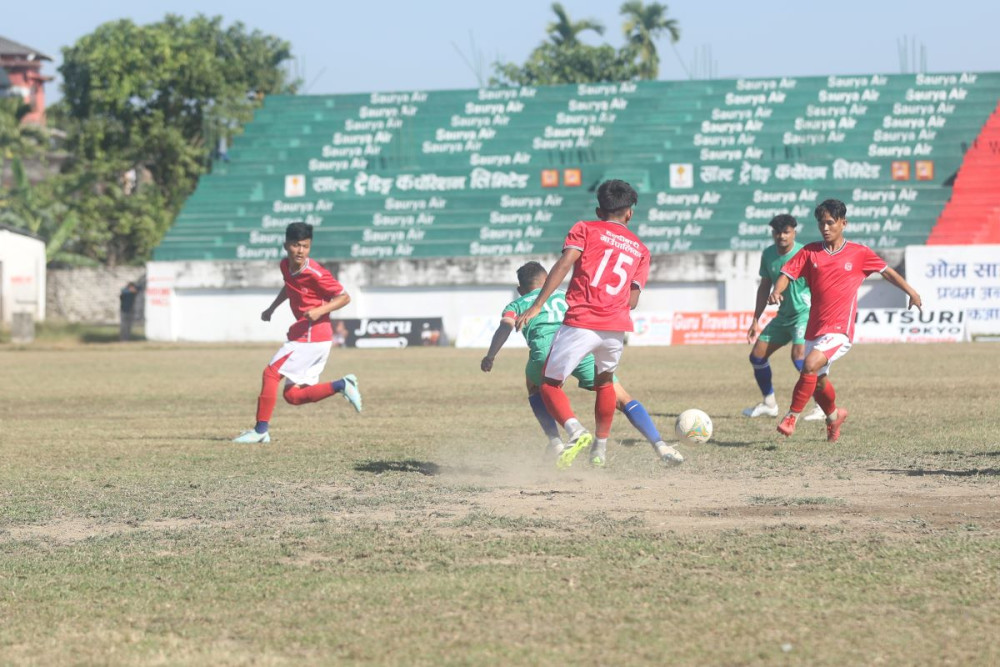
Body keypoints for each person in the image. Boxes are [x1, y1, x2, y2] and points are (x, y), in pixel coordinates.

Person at [480, 261, 684, 466]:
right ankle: (660, 445)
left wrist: (490, 356)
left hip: (544, 353)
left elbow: (505, 327)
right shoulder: (564, 294)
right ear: (548, 279)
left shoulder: (517, 304)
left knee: (534, 386)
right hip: (578, 346)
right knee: (620, 397)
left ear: (520, 290)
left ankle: (557, 442)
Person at [515, 179, 654, 469]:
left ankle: (575, 431)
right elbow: (633, 300)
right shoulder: (640, 249)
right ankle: (600, 450)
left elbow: (564, 265)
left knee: (549, 384)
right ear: (630, 213)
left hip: (582, 320)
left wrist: (538, 304)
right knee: (606, 383)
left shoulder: (585, 229)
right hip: (616, 327)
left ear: (598, 210)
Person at [768, 199, 922, 441]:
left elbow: (887, 272)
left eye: (830, 222)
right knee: (817, 382)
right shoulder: (809, 252)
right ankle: (834, 417)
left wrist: (911, 292)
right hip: (815, 328)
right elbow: (786, 273)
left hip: (840, 330)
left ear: (843, 223)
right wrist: (777, 290)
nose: (825, 228)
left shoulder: (859, 253)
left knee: (808, 365)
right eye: (821, 223)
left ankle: (791, 416)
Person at [233, 222, 362, 443]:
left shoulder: (315, 272)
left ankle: (260, 430)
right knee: (293, 396)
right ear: (286, 245)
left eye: (305, 246)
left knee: (271, 373)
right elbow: (289, 286)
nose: (300, 251)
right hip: (309, 336)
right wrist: (272, 308)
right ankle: (341, 385)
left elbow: (344, 297)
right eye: (296, 245)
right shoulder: (285, 266)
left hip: (312, 335)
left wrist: (320, 310)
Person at [744, 215, 825, 421]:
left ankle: (821, 406)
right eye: (777, 232)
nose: (781, 236)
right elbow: (764, 287)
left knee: (799, 357)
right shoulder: (768, 254)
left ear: (794, 232)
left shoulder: (805, 252)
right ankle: (769, 403)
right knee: (757, 356)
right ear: (772, 233)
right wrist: (756, 319)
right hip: (783, 316)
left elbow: (820, 282)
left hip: (803, 313)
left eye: (786, 232)